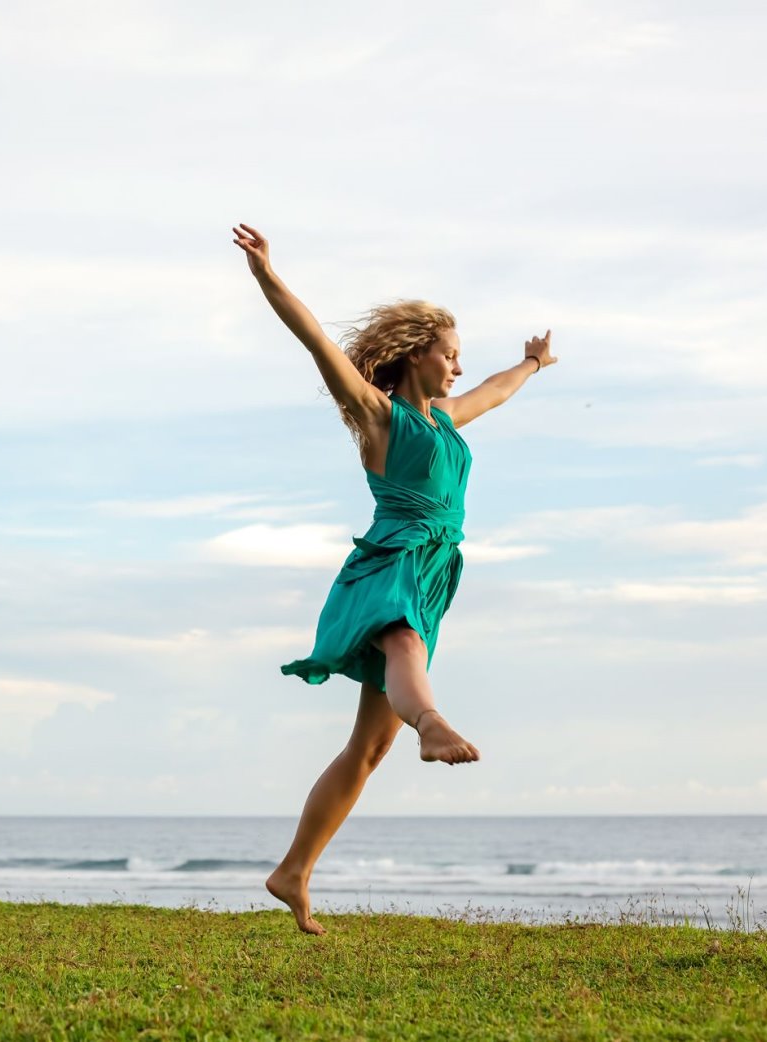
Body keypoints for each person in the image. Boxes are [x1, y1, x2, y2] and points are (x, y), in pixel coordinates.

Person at [232, 222, 557, 934]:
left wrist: (532, 365)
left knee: (368, 748)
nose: (458, 370)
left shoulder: (446, 421)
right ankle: (432, 722)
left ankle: (293, 872)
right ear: (418, 355)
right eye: (450, 356)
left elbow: (496, 393)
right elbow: (317, 340)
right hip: (393, 561)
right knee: (404, 647)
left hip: (436, 571)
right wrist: (265, 274)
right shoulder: (379, 418)